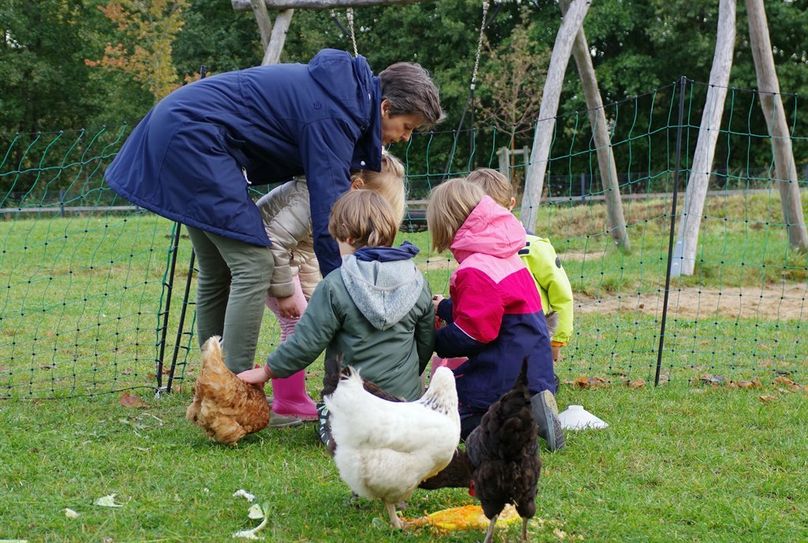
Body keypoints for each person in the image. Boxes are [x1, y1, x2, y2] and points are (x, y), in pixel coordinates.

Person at [104, 49, 442, 374]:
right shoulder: (335, 114)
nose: (406, 137)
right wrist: (349, 292)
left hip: (182, 128)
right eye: (407, 127)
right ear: (385, 108)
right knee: (254, 263)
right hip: (194, 138)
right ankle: (232, 388)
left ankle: (214, 378)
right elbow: (330, 215)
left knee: (218, 267)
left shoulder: (342, 101)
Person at [238, 190, 435, 438]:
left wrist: (267, 371)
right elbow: (426, 342)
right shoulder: (417, 282)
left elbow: (305, 343)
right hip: (404, 411)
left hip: (351, 416)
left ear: (347, 237)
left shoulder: (335, 285)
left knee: (333, 421)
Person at [255, 152, 406, 427]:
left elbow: (308, 250)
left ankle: (292, 396)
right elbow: (274, 241)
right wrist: (285, 291)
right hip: (262, 253)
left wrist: (316, 295)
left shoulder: (334, 205)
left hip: (290, 257)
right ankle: (288, 400)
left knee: (306, 315)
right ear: (357, 187)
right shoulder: (310, 201)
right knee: (298, 323)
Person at [426, 178, 564, 451]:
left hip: (503, 372)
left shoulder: (475, 270)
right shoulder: (504, 255)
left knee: (453, 408)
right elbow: (487, 312)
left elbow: (471, 334)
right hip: (534, 368)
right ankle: (532, 408)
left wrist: (432, 339)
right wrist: (443, 307)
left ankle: (514, 426)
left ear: (445, 224)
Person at [465, 168, 573, 366]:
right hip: (493, 338)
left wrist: (557, 340)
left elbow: (562, 295)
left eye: (494, 212)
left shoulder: (534, 247)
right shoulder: (472, 253)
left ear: (511, 204)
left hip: (535, 335)